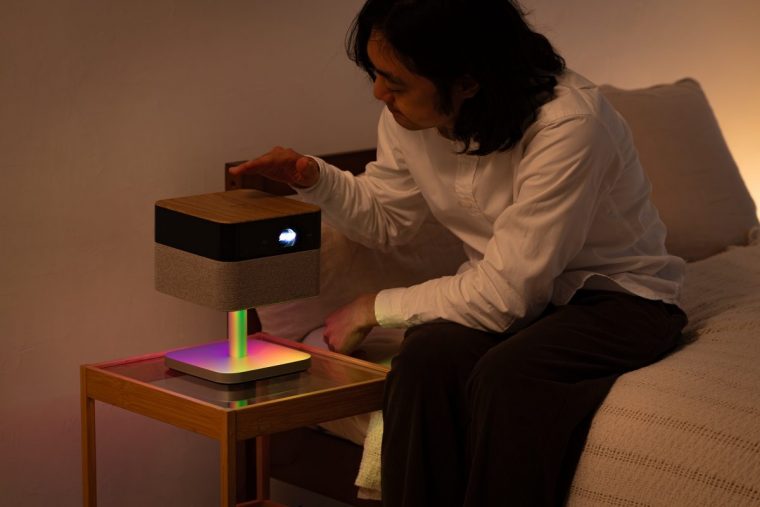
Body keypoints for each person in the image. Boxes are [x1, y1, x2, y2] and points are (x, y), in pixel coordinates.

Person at [230, 0, 688, 505]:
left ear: (467, 82)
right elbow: (386, 218)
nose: (379, 93)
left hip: (619, 301)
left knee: (507, 375)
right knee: (425, 357)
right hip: (525, 300)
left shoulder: (568, 125)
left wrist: (374, 307)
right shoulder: (410, 119)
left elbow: (506, 296)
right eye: (375, 74)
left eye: (395, 82)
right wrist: (313, 178)